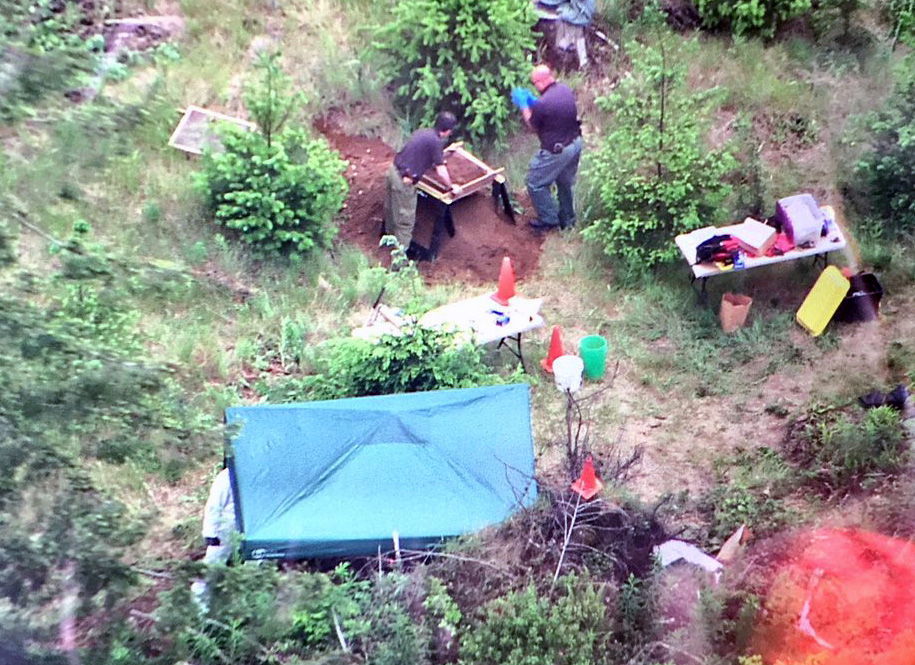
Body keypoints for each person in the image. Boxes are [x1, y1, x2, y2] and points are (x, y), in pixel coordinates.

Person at [383, 112, 462, 259]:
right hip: (404, 182)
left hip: (393, 172)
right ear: (448, 131)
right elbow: (441, 170)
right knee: (405, 223)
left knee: (391, 211)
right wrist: (452, 187)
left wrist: (444, 153)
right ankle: (398, 262)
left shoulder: (424, 133)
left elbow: (424, 155)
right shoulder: (436, 142)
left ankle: (386, 243)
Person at [513, 64, 582, 232]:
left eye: (535, 83)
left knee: (535, 183)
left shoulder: (542, 104)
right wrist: (535, 103)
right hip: (575, 143)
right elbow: (555, 111)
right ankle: (568, 220)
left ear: (542, 81)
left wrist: (524, 106)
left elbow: (532, 126)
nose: (535, 86)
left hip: (558, 151)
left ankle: (549, 219)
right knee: (565, 183)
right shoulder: (565, 90)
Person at [190, 464, 237, 609]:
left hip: (248, 529)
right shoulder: (226, 476)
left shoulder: (253, 474)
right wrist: (210, 533)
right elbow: (214, 506)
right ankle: (200, 608)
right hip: (225, 530)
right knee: (212, 567)